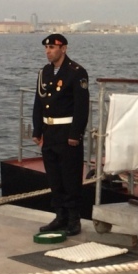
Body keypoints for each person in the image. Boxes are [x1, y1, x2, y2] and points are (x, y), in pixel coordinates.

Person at [32, 34, 90, 236]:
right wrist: (37, 130)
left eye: (52, 47)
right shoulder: (44, 72)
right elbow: (39, 103)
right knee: (54, 177)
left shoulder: (76, 72)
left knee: (70, 177)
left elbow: (81, 108)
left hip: (67, 133)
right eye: (46, 47)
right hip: (50, 132)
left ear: (63, 49)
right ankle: (60, 216)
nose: (48, 51)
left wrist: (76, 133)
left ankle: (74, 219)